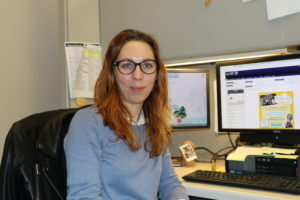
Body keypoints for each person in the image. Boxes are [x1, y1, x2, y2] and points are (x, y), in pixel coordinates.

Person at [64, 29, 189, 200]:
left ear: (157, 74)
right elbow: (85, 196)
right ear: (112, 73)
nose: (138, 76)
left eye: (147, 65)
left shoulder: (155, 124)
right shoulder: (88, 122)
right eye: (127, 65)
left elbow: (170, 184)